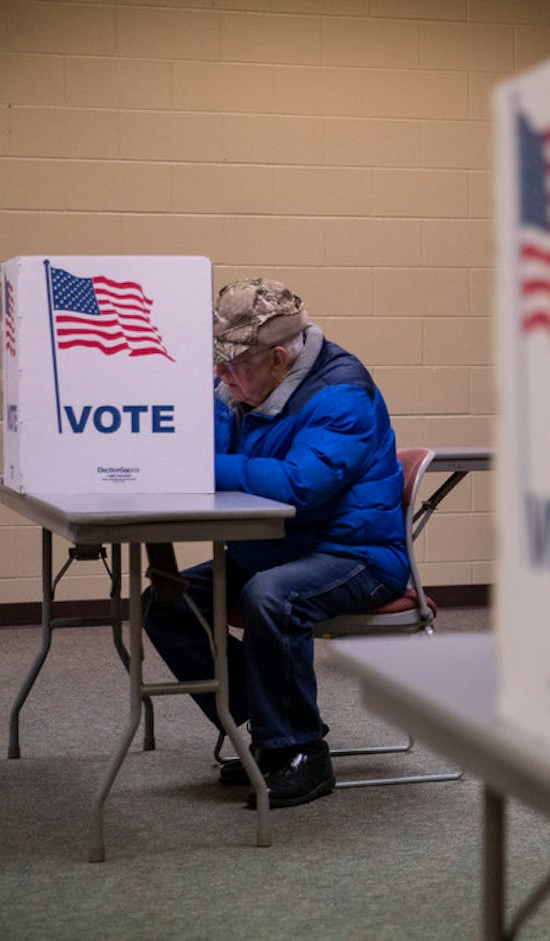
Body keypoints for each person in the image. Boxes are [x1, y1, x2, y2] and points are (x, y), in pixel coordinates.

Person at [143, 278, 409, 808]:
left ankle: (300, 753)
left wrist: (199, 467)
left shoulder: (342, 394)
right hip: (276, 549)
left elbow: (300, 485)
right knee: (165, 602)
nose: (220, 373)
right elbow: (211, 451)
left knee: (272, 595)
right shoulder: (243, 385)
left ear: (280, 357)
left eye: (231, 364)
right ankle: (268, 728)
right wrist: (214, 414)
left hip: (356, 555)